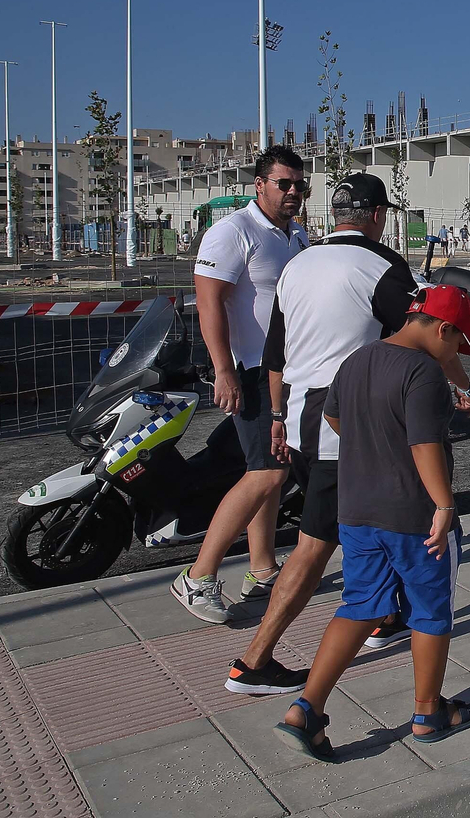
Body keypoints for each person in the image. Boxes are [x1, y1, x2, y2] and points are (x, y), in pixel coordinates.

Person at [223, 173, 470, 694]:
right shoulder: (382, 266)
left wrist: (277, 418)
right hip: (349, 418)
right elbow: (427, 332)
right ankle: (253, 661)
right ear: (380, 216)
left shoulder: (298, 263)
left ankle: (386, 617)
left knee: (361, 528)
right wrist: (463, 386)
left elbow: (277, 353)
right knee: (317, 545)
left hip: (300, 415)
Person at [273, 285, 470, 759]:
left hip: (356, 511)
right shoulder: (424, 374)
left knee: (361, 605)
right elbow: (423, 445)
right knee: (432, 610)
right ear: (442, 328)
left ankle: (305, 708)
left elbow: (333, 417)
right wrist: (444, 505)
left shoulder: (358, 360)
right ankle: (428, 712)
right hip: (414, 515)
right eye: (457, 343)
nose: (456, 354)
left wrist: (375, 445)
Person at [172, 145, 310, 623]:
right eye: (283, 184)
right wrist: (224, 370)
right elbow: (209, 302)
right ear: (260, 186)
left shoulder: (296, 235)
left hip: (284, 370)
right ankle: (197, 577)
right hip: (249, 370)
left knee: (274, 466)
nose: (293, 192)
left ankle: (262, 567)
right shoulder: (233, 232)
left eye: (299, 184)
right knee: (266, 474)